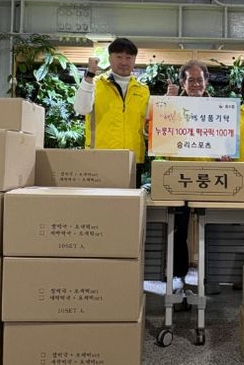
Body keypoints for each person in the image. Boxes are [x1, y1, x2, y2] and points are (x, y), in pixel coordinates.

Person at [73, 38, 150, 184]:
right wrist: (89, 75)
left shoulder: (143, 90)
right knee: (101, 199)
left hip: (133, 160)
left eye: (128, 57)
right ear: (110, 58)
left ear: (134, 60)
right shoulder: (95, 84)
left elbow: (147, 127)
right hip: (100, 158)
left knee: (130, 199)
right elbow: (81, 109)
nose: (124, 62)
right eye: (119, 57)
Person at [164, 59, 211, 291]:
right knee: (178, 229)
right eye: (191, 80)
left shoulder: (220, 109)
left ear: (206, 82)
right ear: (183, 83)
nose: (195, 84)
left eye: (199, 80)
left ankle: (208, 278)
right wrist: (167, 103)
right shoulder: (171, 105)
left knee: (209, 228)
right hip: (178, 176)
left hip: (209, 177)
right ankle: (178, 277)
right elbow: (151, 133)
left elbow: (229, 142)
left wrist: (226, 155)